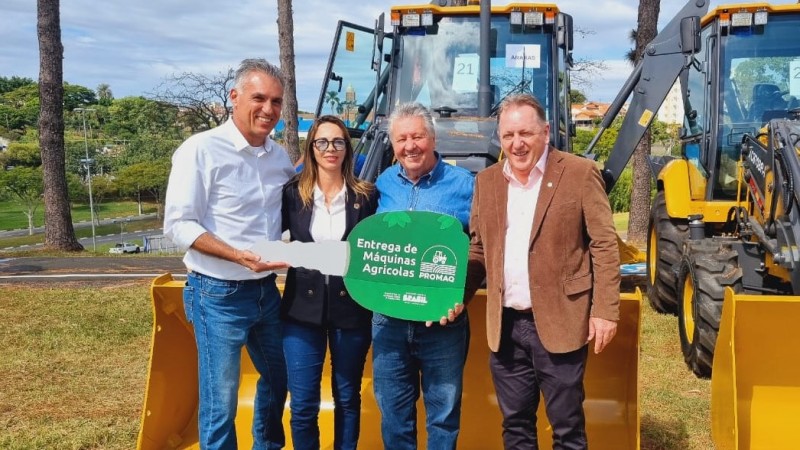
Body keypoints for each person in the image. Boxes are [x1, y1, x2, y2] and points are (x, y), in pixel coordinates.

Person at [465, 93, 620, 449]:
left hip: (560, 319)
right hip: (505, 327)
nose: (516, 144)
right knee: (516, 425)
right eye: (508, 135)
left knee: (567, 428)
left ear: (546, 132)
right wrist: (456, 296)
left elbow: (604, 244)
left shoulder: (579, 173)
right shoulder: (487, 181)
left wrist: (605, 310)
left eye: (525, 133)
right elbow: (478, 248)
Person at [163, 58, 295, 450]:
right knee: (220, 401)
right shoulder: (200, 149)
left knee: (279, 378)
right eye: (259, 98)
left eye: (276, 101)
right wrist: (238, 255)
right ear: (234, 97)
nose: (268, 109)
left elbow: (292, 214)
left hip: (266, 291)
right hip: (216, 294)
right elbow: (179, 225)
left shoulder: (279, 158)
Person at [372, 102, 474, 450]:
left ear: (433, 139)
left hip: (442, 322)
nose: (410, 146)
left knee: (443, 418)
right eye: (401, 139)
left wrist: (462, 294)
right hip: (389, 321)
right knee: (394, 417)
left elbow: (482, 245)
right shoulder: (383, 183)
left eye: (417, 137)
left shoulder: (466, 185)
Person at [280, 115, 378, 450]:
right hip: (300, 313)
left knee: (347, 398)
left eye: (338, 142)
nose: (330, 149)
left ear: (347, 148)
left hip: (351, 312)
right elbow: (270, 238)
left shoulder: (367, 196)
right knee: (303, 405)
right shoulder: (292, 194)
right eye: (322, 142)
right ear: (311, 148)